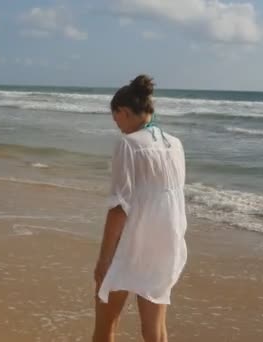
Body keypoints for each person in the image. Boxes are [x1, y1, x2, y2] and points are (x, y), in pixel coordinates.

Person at [93, 75, 187, 342]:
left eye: (117, 120)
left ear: (123, 111)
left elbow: (119, 208)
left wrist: (103, 260)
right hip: (166, 245)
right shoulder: (175, 144)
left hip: (131, 245)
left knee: (106, 325)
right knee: (155, 332)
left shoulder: (129, 145)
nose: (119, 127)